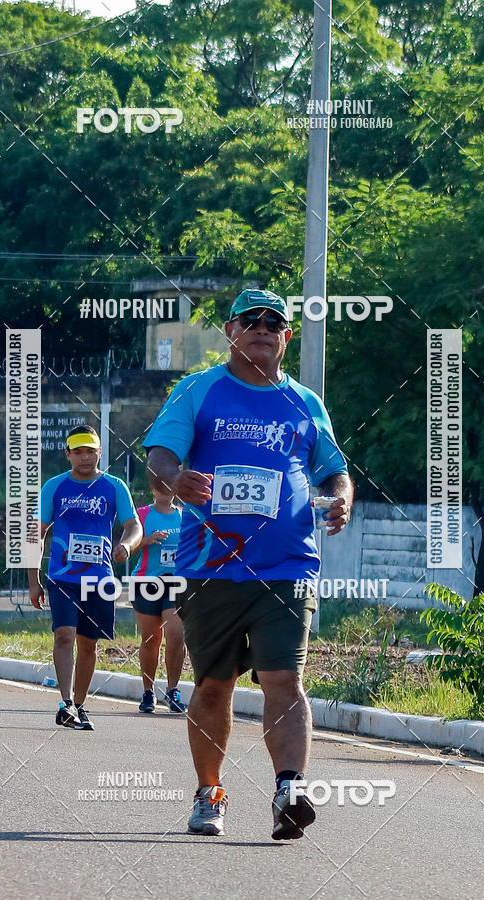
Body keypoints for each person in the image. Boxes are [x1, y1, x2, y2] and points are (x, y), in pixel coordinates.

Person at [144, 288, 354, 840]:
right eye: (250, 320)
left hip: (286, 565)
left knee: (285, 679)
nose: (262, 327)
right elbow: (160, 456)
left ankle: (290, 790)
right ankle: (210, 791)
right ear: (232, 332)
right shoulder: (199, 389)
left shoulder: (305, 402)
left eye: (274, 322)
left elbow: (333, 467)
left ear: (286, 337)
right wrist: (175, 479)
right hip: (211, 567)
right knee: (214, 686)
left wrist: (342, 496)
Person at [28, 425, 142, 731]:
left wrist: (126, 545)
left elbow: (134, 526)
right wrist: (34, 580)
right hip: (62, 577)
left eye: (90, 451)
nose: (85, 457)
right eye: (78, 452)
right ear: (67, 454)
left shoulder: (114, 486)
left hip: (100, 577)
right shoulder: (54, 487)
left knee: (89, 644)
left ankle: (79, 705)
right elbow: (36, 535)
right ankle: (65, 703)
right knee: (64, 634)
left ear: (100, 452)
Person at [130, 487, 186, 714]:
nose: (165, 490)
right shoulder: (142, 514)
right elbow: (128, 546)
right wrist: (147, 540)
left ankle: (173, 691)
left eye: (170, 485)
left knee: (176, 634)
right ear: (152, 488)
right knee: (152, 639)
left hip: (176, 582)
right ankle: (148, 692)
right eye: (160, 486)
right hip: (146, 582)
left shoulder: (185, 514)